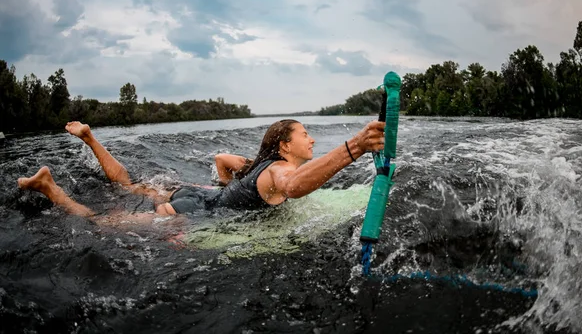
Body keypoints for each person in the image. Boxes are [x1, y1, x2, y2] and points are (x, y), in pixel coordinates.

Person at [17, 119, 386, 219]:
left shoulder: (258, 163)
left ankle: (91, 139)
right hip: (195, 209)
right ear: (285, 145)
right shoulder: (277, 172)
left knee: (130, 186)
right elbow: (292, 187)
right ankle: (50, 187)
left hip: (201, 192)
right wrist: (354, 147)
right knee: (102, 224)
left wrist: (229, 186)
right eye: (306, 135)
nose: (313, 141)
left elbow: (221, 159)